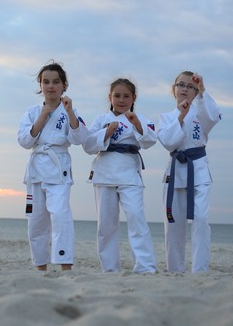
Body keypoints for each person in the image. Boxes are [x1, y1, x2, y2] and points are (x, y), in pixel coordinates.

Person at [17, 61, 88, 271]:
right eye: (46, 82)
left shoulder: (69, 111)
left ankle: (65, 266)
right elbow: (24, 141)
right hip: (36, 170)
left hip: (58, 169)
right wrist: (42, 117)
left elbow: (79, 138)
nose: (51, 86)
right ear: (40, 86)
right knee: (36, 220)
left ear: (64, 85)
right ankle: (41, 268)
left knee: (60, 215)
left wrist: (71, 112)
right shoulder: (31, 112)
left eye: (56, 82)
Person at [82, 78, 157, 273]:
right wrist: (107, 132)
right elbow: (88, 145)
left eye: (126, 96)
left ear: (134, 98)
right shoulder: (101, 120)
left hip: (129, 173)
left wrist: (136, 124)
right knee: (106, 224)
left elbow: (150, 141)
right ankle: (109, 268)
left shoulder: (139, 119)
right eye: (117, 96)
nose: (121, 100)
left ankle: (145, 266)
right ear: (110, 97)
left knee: (136, 217)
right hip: (104, 173)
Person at [157, 71, 221, 273]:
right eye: (181, 85)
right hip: (175, 172)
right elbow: (168, 142)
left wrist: (203, 90)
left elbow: (213, 117)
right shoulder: (166, 117)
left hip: (198, 170)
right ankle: (175, 271)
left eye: (190, 86)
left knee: (201, 219)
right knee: (173, 226)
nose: (185, 89)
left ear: (195, 92)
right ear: (174, 89)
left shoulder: (201, 112)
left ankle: (200, 270)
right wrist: (181, 116)